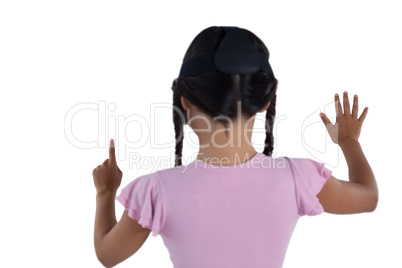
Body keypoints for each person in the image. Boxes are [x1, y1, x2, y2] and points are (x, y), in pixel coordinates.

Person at [92, 26, 379, 268]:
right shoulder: (297, 178)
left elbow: (107, 255)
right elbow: (368, 198)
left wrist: (106, 192)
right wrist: (348, 142)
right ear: (266, 103)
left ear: (185, 102)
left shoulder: (156, 191)